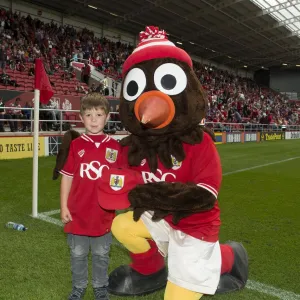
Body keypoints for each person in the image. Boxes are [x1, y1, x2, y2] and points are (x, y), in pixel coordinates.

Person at [59, 93, 122, 300]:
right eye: (88, 115)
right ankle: (78, 288)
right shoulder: (76, 145)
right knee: (77, 254)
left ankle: (100, 288)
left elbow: (121, 180)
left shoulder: (115, 147)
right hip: (78, 213)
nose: (93, 119)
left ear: (107, 117)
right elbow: (67, 178)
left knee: (101, 254)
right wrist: (64, 207)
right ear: (81, 117)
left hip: (103, 213)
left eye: (98, 114)